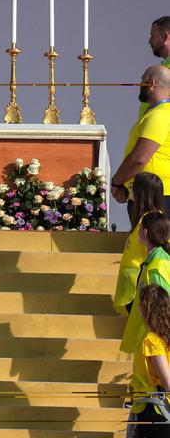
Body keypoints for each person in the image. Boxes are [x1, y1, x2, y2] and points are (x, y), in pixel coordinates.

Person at [111, 67, 170, 215]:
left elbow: (139, 158)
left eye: (142, 81)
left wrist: (116, 183)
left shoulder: (159, 115)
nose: (139, 85)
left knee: (147, 231)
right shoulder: (159, 112)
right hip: (151, 192)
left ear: (151, 83)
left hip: (153, 195)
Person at [114, 173, 164, 315]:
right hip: (131, 286)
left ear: (141, 192)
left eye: (133, 187)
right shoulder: (143, 219)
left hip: (138, 287)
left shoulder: (153, 220)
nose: (130, 191)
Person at [121, 212, 170, 355]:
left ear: (145, 232)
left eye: (140, 227)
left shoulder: (157, 266)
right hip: (148, 340)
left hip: (154, 345)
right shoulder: (153, 261)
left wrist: (157, 348)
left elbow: (162, 309)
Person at [128, 285, 170, 436]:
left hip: (156, 408)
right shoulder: (164, 337)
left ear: (146, 309)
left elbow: (167, 382)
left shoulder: (152, 340)